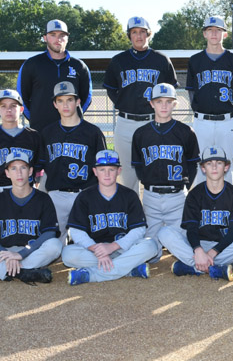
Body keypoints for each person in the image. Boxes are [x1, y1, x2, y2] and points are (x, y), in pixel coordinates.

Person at [158, 146, 233, 281]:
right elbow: (191, 229)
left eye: (219, 163)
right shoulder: (194, 194)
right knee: (164, 232)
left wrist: (211, 253)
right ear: (203, 169)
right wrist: (198, 251)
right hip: (198, 245)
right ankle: (215, 268)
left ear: (226, 167)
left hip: (223, 248)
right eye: (209, 163)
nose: (214, 167)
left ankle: (193, 267)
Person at [103, 16, 178, 193]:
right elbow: (111, 89)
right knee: (128, 175)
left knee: (155, 168)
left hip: (153, 122)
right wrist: (125, 103)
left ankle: (155, 214)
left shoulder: (161, 60)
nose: (138, 36)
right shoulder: (118, 60)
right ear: (129, 35)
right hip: (125, 122)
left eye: (142, 32)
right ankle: (133, 215)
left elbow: (171, 90)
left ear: (148, 34)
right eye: (134, 32)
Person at [62, 150, 160, 285]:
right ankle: (128, 269)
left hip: (123, 249)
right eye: (102, 169)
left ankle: (91, 275)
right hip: (95, 251)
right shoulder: (85, 196)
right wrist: (98, 250)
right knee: (68, 254)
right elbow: (76, 231)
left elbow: (139, 230)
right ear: (95, 171)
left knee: (151, 245)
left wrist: (112, 247)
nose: (107, 174)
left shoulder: (129, 195)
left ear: (119, 171)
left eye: (111, 169)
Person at [0, 153, 62, 283]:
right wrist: (7, 255)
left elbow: (49, 233)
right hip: (4, 252)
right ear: (7, 173)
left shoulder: (43, 199)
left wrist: (21, 254)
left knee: (55, 245)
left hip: (31, 252)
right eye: (13, 168)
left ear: (30, 171)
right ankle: (23, 272)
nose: (19, 173)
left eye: (23, 167)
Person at [131, 83, 200, 243]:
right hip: (150, 196)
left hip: (177, 196)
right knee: (148, 244)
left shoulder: (185, 132)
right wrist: (149, 185)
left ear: (175, 104)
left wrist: (184, 187)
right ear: (151, 103)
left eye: (168, 101)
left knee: (183, 242)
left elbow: (192, 165)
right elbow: (139, 167)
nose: (164, 105)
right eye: (159, 101)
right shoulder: (141, 133)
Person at [40, 81, 107, 245]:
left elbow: (104, 169)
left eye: (69, 100)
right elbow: (42, 169)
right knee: (50, 245)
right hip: (56, 195)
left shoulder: (93, 133)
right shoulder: (47, 133)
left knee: (91, 243)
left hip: (85, 194)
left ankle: (74, 239)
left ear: (78, 102)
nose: (65, 105)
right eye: (60, 100)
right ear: (55, 104)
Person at [186, 16, 233, 185]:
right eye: (210, 30)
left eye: (218, 30)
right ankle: (201, 205)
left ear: (224, 35)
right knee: (200, 163)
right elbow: (191, 92)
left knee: (229, 164)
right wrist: (199, 109)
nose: (214, 33)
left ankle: (230, 203)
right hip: (202, 121)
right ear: (204, 34)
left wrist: (230, 110)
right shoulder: (195, 60)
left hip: (226, 122)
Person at [17, 19, 92, 132]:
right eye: (53, 35)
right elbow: (21, 96)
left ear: (67, 38)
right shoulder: (31, 64)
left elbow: (86, 98)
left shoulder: (79, 66)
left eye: (62, 35)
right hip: (40, 130)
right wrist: (34, 118)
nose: (58, 39)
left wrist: (72, 117)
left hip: (72, 130)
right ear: (45, 38)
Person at [0, 89, 43, 196]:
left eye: (13, 106)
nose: (8, 110)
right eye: (3, 106)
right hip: (0, 190)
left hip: (27, 189)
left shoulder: (33, 136)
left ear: (21, 109)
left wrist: (36, 184)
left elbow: (39, 166)